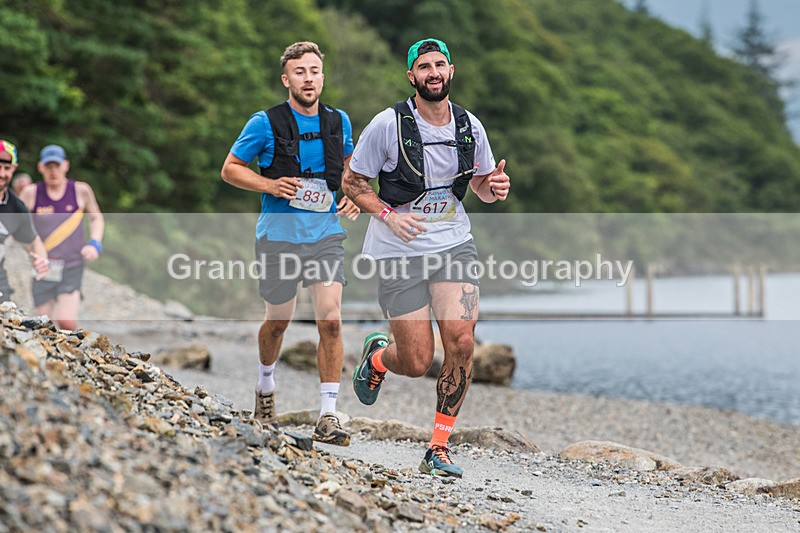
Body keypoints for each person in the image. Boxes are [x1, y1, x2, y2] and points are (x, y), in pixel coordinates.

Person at [342, 38, 511, 477]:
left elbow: (480, 185)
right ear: (411, 77)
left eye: (439, 65)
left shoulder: (470, 126)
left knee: (462, 341)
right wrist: (385, 215)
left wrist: (493, 189)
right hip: (398, 249)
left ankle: (438, 449)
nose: (432, 72)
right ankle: (379, 357)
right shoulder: (387, 124)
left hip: (453, 242)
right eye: (423, 66)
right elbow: (352, 181)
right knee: (416, 362)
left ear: (451, 71)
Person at [221, 41, 360, 446]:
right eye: (300, 72)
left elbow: (351, 169)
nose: (309, 78)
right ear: (287, 80)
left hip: (325, 236)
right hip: (278, 236)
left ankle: (328, 415)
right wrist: (270, 184)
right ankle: (265, 388)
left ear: (323, 76)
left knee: (330, 320)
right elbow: (230, 169)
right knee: (279, 322)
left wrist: (352, 194)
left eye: (314, 71)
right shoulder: (264, 122)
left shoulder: (340, 121)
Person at [19, 144, 104, 331]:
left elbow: (96, 217)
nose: (53, 171)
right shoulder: (31, 193)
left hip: (71, 265)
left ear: (66, 165)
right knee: (44, 325)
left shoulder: (80, 190)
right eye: (48, 167)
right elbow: (19, 229)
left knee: (66, 323)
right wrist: (31, 252)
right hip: (43, 266)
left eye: (56, 166)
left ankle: (72, 358)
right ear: (41, 167)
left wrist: (94, 243)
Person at [0, 140, 49, 301]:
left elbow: (33, 242)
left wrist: (41, 260)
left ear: (14, 168)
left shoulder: (16, 208)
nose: (2, 173)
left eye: (6, 168)